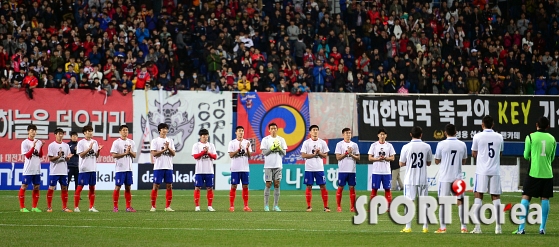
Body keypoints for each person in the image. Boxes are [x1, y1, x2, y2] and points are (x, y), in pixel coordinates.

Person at [513, 116, 556, 235]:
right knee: (545, 198)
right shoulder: (552, 139)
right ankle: (542, 228)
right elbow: (552, 158)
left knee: (526, 197)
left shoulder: (530, 137)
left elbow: (526, 155)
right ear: (547, 126)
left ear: (537, 125)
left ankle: (521, 228)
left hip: (533, 172)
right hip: (547, 173)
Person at [471, 115, 504, 234]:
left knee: (478, 195)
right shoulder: (499, 137)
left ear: (482, 124)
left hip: (482, 171)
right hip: (495, 170)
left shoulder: (478, 136)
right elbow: (500, 153)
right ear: (493, 125)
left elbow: (474, 153)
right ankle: (498, 228)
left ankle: (477, 227)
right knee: (496, 197)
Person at [434, 124, 468, 233]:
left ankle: (443, 227)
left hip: (445, 177)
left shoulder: (441, 144)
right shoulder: (462, 144)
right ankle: (463, 227)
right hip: (457, 177)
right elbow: (464, 160)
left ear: (445, 133)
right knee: (460, 201)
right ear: (456, 132)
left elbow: (437, 160)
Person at [399, 126, 433, 233]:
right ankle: (425, 227)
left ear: (410, 134)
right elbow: (428, 163)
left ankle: (408, 227)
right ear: (421, 135)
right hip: (422, 178)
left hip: (410, 179)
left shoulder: (406, 147)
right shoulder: (427, 146)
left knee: (409, 202)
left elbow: (401, 163)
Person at [300, 125, 330, 212]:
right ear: (310, 132)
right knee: (309, 186)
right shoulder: (306, 143)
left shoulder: (322, 142)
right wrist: (313, 155)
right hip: (309, 168)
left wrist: (319, 152)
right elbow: (303, 155)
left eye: (317, 130)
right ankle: (309, 206)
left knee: (323, 186)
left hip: (319, 168)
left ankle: (326, 207)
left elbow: (325, 155)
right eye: (313, 130)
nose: (315, 131)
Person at [75, 125, 103, 212]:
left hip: (93, 168)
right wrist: (89, 148)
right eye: (88, 131)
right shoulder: (81, 143)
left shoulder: (95, 142)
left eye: (91, 131)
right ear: (84, 133)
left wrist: (98, 150)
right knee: (80, 187)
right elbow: (81, 155)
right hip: (84, 169)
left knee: (92, 188)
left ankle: (91, 207)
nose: (90, 132)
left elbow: (96, 156)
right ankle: (76, 207)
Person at [260, 122, 287, 212]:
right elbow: (264, 153)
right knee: (268, 184)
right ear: (269, 130)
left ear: (277, 129)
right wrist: (271, 148)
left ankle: (275, 206)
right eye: (271, 128)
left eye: (275, 128)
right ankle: (266, 206)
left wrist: (279, 148)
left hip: (278, 165)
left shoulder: (281, 139)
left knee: (277, 184)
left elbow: (284, 153)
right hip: (268, 165)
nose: (273, 130)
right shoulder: (265, 140)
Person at [150, 123, 176, 212]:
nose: (165, 130)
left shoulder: (170, 141)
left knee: (169, 186)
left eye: (166, 128)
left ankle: (167, 206)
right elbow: (153, 153)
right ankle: (153, 206)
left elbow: (173, 154)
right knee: (156, 186)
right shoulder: (155, 141)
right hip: (158, 167)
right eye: (163, 128)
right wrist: (164, 149)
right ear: (159, 130)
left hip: (168, 167)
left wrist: (168, 148)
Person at [110, 125, 137, 212]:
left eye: (126, 130)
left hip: (129, 169)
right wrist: (125, 153)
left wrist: (129, 152)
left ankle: (128, 207)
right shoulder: (116, 142)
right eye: (124, 130)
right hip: (120, 169)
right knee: (117, 187)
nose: (125, 132)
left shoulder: (131, 142)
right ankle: (115, 207)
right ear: (120, 132)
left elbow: (134, 155)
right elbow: (114, 155)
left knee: (128, 187)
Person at [46, 128, 74, 213]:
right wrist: (58, 157)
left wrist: (68, 158)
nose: (60, 135)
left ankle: (65, 207)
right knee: (51, 188)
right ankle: (49, 207)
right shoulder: (51, 145)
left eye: (62, 134)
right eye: (59, 134)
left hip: (63, 170)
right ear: (55, 135)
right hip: (54, 171)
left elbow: (67, 158)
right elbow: (50, 158)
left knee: (64, 188)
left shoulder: (66, 146)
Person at [19, 124, 45, 212]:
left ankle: (34, 207)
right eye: (31, 130)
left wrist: (41, 146)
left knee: (36, 186)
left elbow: (41, 155)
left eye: (34, 130)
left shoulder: (38, 142)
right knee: (24, 186)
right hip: (28, 169)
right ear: (28, 131)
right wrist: (33, 147)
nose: (33, 132)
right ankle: (22, 207)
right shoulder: (25, 142)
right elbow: (27, 155)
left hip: (37, 168)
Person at [368, 128, 396, 208]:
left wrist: (385, 158)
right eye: (381, 134)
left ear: (386, 136)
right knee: (374, 189)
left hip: (386, 171)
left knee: (387, 189)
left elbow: (393, 158)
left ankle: (388, 207)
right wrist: (377, 159)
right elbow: (370, 158)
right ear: (378, 135)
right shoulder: (374, 145)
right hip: (376, 171)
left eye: (384, 134)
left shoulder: (389, 145)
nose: (382, 136)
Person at [334, 127, 360, 212]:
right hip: (342, 170)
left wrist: (351, 154)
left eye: (349, 133)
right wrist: (346, 153)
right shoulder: (339, 144)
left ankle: (352, 207)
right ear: (343, 134)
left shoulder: (354, 145)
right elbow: (338, 157)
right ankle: (338, 206)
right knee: (340, 187)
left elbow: (358, 157)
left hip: (352, 170)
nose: (348, 134)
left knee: (352, 187)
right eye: (346, 133)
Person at [227, 126, 252, 212]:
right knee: (234, 186)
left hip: (245, 168)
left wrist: (247, 149)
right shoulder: (232, 143)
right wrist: (238, 150)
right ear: (236, 132)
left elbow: (249, 156)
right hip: (235, 168)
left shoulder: (247, 142)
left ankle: (246, 206)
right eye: (239, 131)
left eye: (242, 131)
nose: (241, 132)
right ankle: (231, 206)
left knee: (245, 186)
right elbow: (230, 155)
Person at [192, 128, 218, 212]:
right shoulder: (196, 145)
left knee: (210, 188)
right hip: (199, 171)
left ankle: (210, 206)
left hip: (209, 170)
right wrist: (203, 152)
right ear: (200, 136)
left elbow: (215, 157)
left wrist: (208, 153)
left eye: (206, 136)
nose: (205, 138)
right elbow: (195, 156)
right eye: (203, 136)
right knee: (197, 188)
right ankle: (197, 206)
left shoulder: (211, 145)